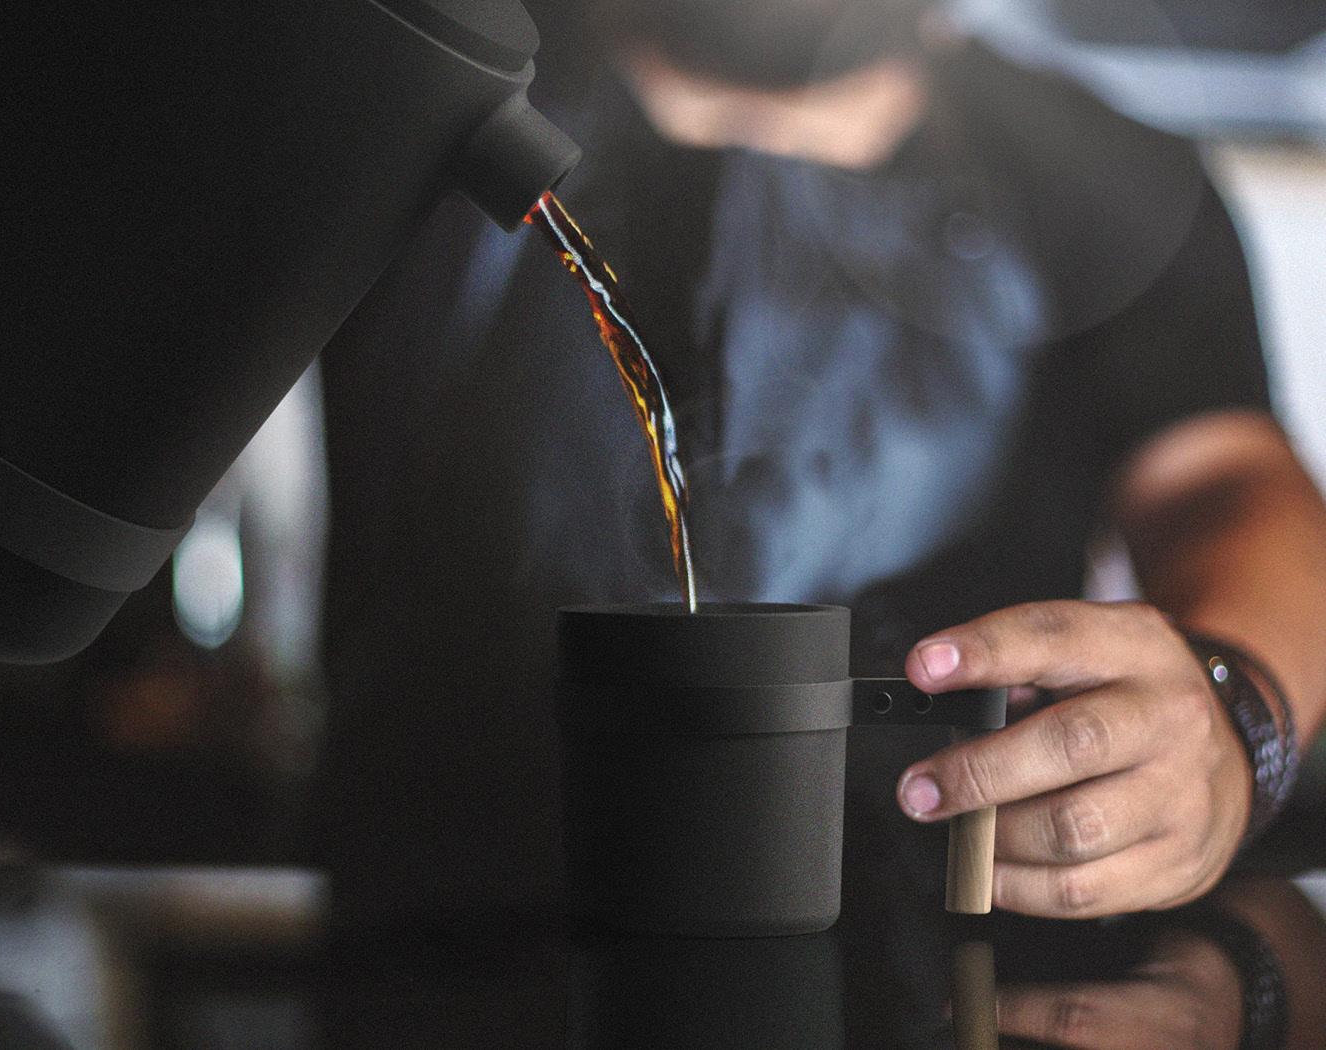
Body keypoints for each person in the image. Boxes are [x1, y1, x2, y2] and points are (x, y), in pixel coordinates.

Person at [314, 0, 1326, 922]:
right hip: (430, 944)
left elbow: (1225, 484)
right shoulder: (402, 100)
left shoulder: (1106, 176)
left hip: (950, 946)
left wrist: (1236, 714)